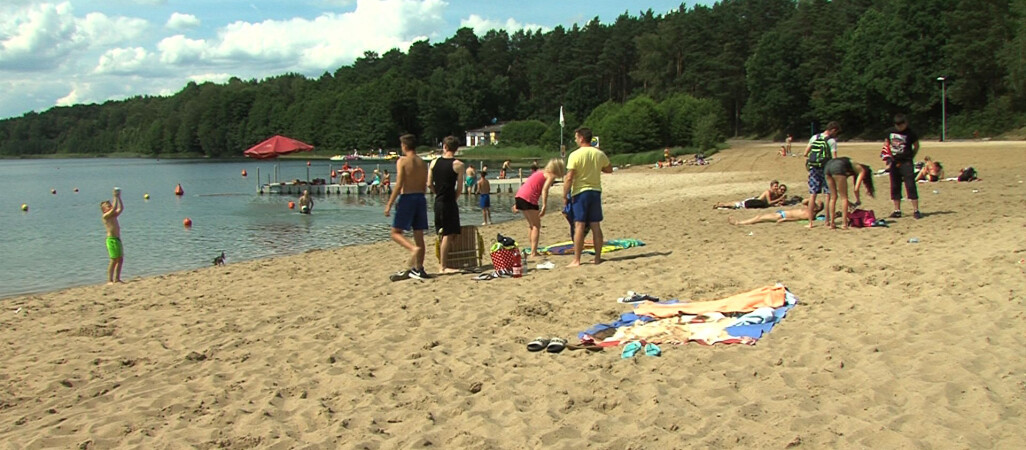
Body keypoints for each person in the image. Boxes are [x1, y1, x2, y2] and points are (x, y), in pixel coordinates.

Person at [563, 127, 612, 267]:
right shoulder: (599, 154)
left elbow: (569, 177)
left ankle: (577, 259)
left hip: (580, 192)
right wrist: (596, 168)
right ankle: (597, 258)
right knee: (595, 225)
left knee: (579, 225)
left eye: (576, 137)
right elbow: (609, 169)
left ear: (581, 138)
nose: (575, 140)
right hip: (595, 191)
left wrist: (565, 195)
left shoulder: (575, 155)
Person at [384, 134, 430, 280]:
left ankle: (412, 249)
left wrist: (389, 204)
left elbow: (399, 184)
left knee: (395, 232)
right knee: (419, 235)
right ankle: (419, 268)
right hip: (420, 198)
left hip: (408, 197)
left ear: (404, 146)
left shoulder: (402, 161)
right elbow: (424, 185)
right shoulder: (422, 162)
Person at [513, 158, 567, 258]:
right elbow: (545, 190)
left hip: (520, 195)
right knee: (536, 226)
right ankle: (534, 252)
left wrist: (517, 203)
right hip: (529, 199)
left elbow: (528, 185)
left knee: (531, 225)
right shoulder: (550, 175)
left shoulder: (539, 172)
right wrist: (545, 205)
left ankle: (532, 249)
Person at [428, 136, 465, 273]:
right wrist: (453, 198)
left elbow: (429, 184)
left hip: (438, 201)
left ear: (444, 147)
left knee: (446, 232)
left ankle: (446, 261)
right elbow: (460, 188)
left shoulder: (433, 162)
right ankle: (443, 266)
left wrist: (437, 192)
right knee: (449, 234)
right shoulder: (458, 165)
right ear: (456, 149)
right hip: (449, 201)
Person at [802, 121, 840, 228]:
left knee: (812, 194)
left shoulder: (814, 137)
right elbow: (834, 158)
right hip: (826, 168)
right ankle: (827, 221)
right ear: (833, 130)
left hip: (814, 168)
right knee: (828, 195)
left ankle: (810, 223)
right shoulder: (831, 141)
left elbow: (805, 153)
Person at [883, 113, 921, 219]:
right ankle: (897, 210)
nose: (899, 126)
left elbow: (916, 146)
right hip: (894, 161)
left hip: (906, 161)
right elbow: (886, 144)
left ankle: (916, 210)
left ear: (905, 123)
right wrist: (888, 157)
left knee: (910, 185)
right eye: (897, 124)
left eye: (901, 124)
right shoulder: (890, 131)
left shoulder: (911, 133)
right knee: (895, 185)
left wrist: (911, 156)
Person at [824, 157, 876, 229]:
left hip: (828, 166)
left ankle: (832, 223)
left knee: (833, 197)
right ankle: (844, 224)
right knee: (844, 197)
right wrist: (858, 201)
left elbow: (839, 189)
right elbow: (856, 189)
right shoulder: (862, 170)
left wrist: (850, 203)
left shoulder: (850, 166)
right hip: (837, 167)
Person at [729, 200, 825, 226]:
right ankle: (740, 222)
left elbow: (798, 218)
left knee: (759, 217)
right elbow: (804, 201)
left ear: (817, 208)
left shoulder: (810, 215)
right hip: (781, 213)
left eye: (817, 204)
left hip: (781, 215)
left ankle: (739, 223)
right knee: (760, 217)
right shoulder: (808, 209)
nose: (814, 203)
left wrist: (785, 220)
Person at [100, 187, 125, 284]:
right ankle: (109, 280)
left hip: (117, 239)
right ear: (104, 209)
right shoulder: (105, 216)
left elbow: (120, 208)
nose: (110, 206)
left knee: (120, 259)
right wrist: (115, 196)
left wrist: (119, 198)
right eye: (107, 205)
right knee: (113, 260)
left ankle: (117, 278)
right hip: (111, 240)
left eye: (109, 204)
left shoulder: (114, 215)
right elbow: (114, 208)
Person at [714, 182, 786, 210]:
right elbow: (769, 202)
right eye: (775, 186)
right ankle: (721, 204)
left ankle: (721, 204)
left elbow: (772, 203)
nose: (776, 188)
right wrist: (780, 199)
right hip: (754, 201)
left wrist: (779, 202)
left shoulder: (775, 194)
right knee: (737, 205)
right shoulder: (768, 192)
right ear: (771, 186)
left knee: (738, 203)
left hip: (756, 202)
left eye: (777, 187)